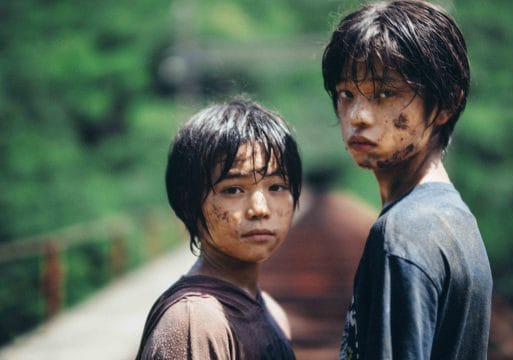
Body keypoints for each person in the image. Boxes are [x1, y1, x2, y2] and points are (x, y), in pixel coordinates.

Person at [321, 1, 493, 359]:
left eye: (384, 93)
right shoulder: (454, 218)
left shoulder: (402, 234)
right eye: (345, 94)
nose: (358, 116)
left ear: (446, 104)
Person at [136, 99, 301, 359]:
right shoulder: (195, 322)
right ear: (189, 201)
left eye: (276, 186)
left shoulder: (271, 310)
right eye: (233, 189)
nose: (260, 208)